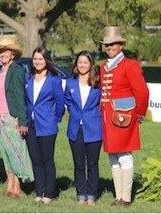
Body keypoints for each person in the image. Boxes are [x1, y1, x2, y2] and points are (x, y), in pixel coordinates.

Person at [100, 26, 149, 207]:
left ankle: (126, 198)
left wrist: (139, 114)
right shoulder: (104, 66)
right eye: (107, 45)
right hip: (107, 117)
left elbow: (142, 92)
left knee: (124, 156)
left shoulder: (130, 65)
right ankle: (118, 196)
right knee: (113, 156)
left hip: (124, 117)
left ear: (121, 45)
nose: (109, 47)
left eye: (113, 44)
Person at [0, 38, 34, 199]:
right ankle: (10, 184)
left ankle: (17, 187)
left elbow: (19, 96)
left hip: (10, 116)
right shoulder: (0, 71)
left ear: (12, 54)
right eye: (0, 51)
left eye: (5, 51)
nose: (2, 54)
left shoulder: (16, 70)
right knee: (6, 153)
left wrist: (21, 120)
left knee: (15, 151)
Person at [25, 47, 65, 204]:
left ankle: (49, 193)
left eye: (41, 59)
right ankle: (39, 191)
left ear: (46, 60)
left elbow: (60, 104)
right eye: (35, 59)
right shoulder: (28, 78)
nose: (37, 62)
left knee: (47, 159)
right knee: (36, 159)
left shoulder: (54, 80)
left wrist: (55, 119)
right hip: (31, 125)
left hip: (47, 125)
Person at [64, 50, 102, 206]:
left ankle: (92, 194)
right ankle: (81, 194)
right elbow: (68, 100)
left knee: (92, 164)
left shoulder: (98, 83)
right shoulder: (71, 82)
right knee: (79, 164)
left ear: (91, 64)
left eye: (85, 62)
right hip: (75, 128)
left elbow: (102, 102)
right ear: (76, 64)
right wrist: (74, 113)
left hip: (94, 128)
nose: (82, 65)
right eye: (79, 62)